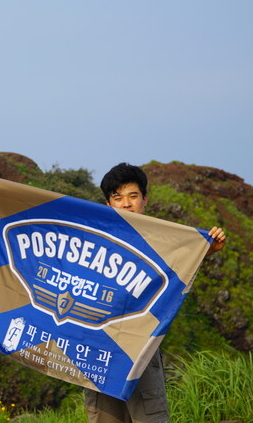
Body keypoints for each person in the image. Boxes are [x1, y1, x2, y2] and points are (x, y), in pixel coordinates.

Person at [85, 162, 226, 423]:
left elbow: (180, 270)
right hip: (98, 355)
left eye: (133, 196)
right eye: (118, 198)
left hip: (141, 354)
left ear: (145, 200)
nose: (126, 204)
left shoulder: (162, 242)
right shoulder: (94, 242)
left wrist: (208, 250)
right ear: (108, 205)